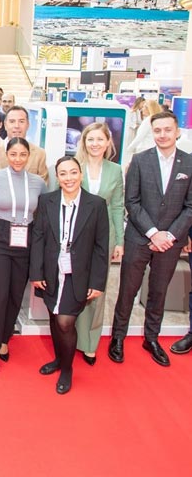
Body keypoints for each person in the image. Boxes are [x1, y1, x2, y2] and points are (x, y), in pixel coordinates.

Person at [109, 112, 192, 367]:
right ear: (152, 132)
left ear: (177, 132)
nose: (162, 135)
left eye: (167, 130)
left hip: (171, 241)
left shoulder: (189, 163)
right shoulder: (139, 160)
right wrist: (153, 232)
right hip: (140, 236)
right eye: (157, 130)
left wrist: (169, 235)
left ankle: (151, 338)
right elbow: (131, 202)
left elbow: (190, 206)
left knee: (159, 291)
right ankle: (118, 337)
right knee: (128, 290)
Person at [30, 156, 109, 394]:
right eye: (63, 173)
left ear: (81, 174)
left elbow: (101, 247)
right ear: (57, 177)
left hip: (78, 274)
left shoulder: (96, 204)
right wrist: (36, 272)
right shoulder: (47, 201)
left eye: (73, 172)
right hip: (51, 272)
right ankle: (58, 359)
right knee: (54, 317)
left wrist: (97, 282)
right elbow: (38, 237)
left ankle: (67, 369)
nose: (69, 178)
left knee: (65, 322)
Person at [0, 137, 47, 374]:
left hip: (26, 239)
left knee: (16, 295)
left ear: (29, 156)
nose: (18, 159)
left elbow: (43, 214)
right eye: (13, 154)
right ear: (6, 155)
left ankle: (5, 338)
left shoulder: (38, 182)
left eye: (22, 154)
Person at [73, 123, 124, 365]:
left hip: (105, 237)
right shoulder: (75, 166)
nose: (95, 144)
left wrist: (120, 241)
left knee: (97, 290)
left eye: (99, 139)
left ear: (108, 142)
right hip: (76, 236)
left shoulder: (115, 170)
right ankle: (71, 336)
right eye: (90, 139)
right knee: (74, 287)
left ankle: (90, 343)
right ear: (84, 142)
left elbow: (117, 206)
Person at [0, 106, 49, 184]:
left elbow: (43, 185)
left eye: (21, 121)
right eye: (12, 121)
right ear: (5, 125)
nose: (17, 126)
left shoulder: (39, 154)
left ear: (28, 125)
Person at [123, 99, 163, 167]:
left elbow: (139, 137)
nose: (142, 109)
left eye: (144, 107)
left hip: (144, 150)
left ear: (149, 109)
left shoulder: (148, 121)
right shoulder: (158, 120)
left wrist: (128, 149)